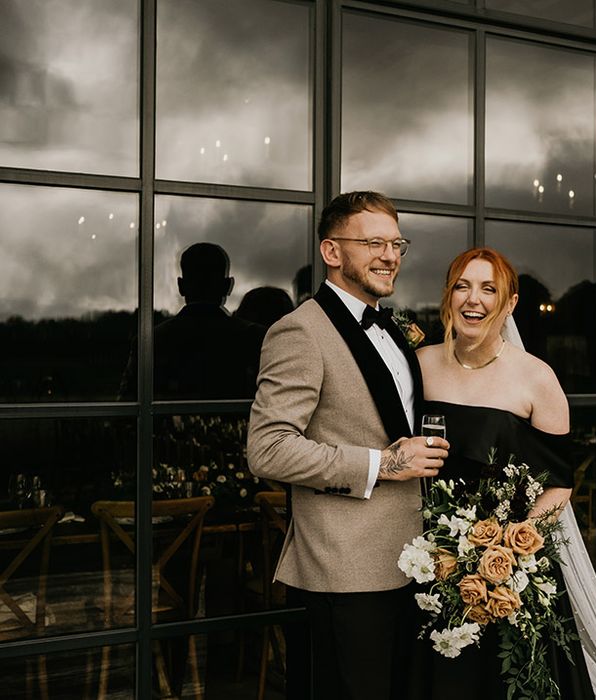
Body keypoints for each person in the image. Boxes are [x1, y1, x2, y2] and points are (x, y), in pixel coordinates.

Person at [414, 247, 596, 699]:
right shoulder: (421, 366)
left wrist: (506, 552)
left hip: (506, 572)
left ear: (509, 304)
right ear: (449, 297)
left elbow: (559, 486)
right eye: (462, 286)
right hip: (429, 562)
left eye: (489, 289)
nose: (474, 299)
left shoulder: (535, 378)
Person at [247, 191, 449, 700]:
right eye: (374, 242)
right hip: (344, 569)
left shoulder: (396, 328)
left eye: (397, 243)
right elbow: (268, 449)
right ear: (332, 252)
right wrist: (383, 463)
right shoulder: (298, 331)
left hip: (412, 560)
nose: (390, 256)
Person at [118, 242, 265, 400]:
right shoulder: (255, 338)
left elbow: (128, 405)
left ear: (181, 286)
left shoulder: (150, 342)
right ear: (227, 286)